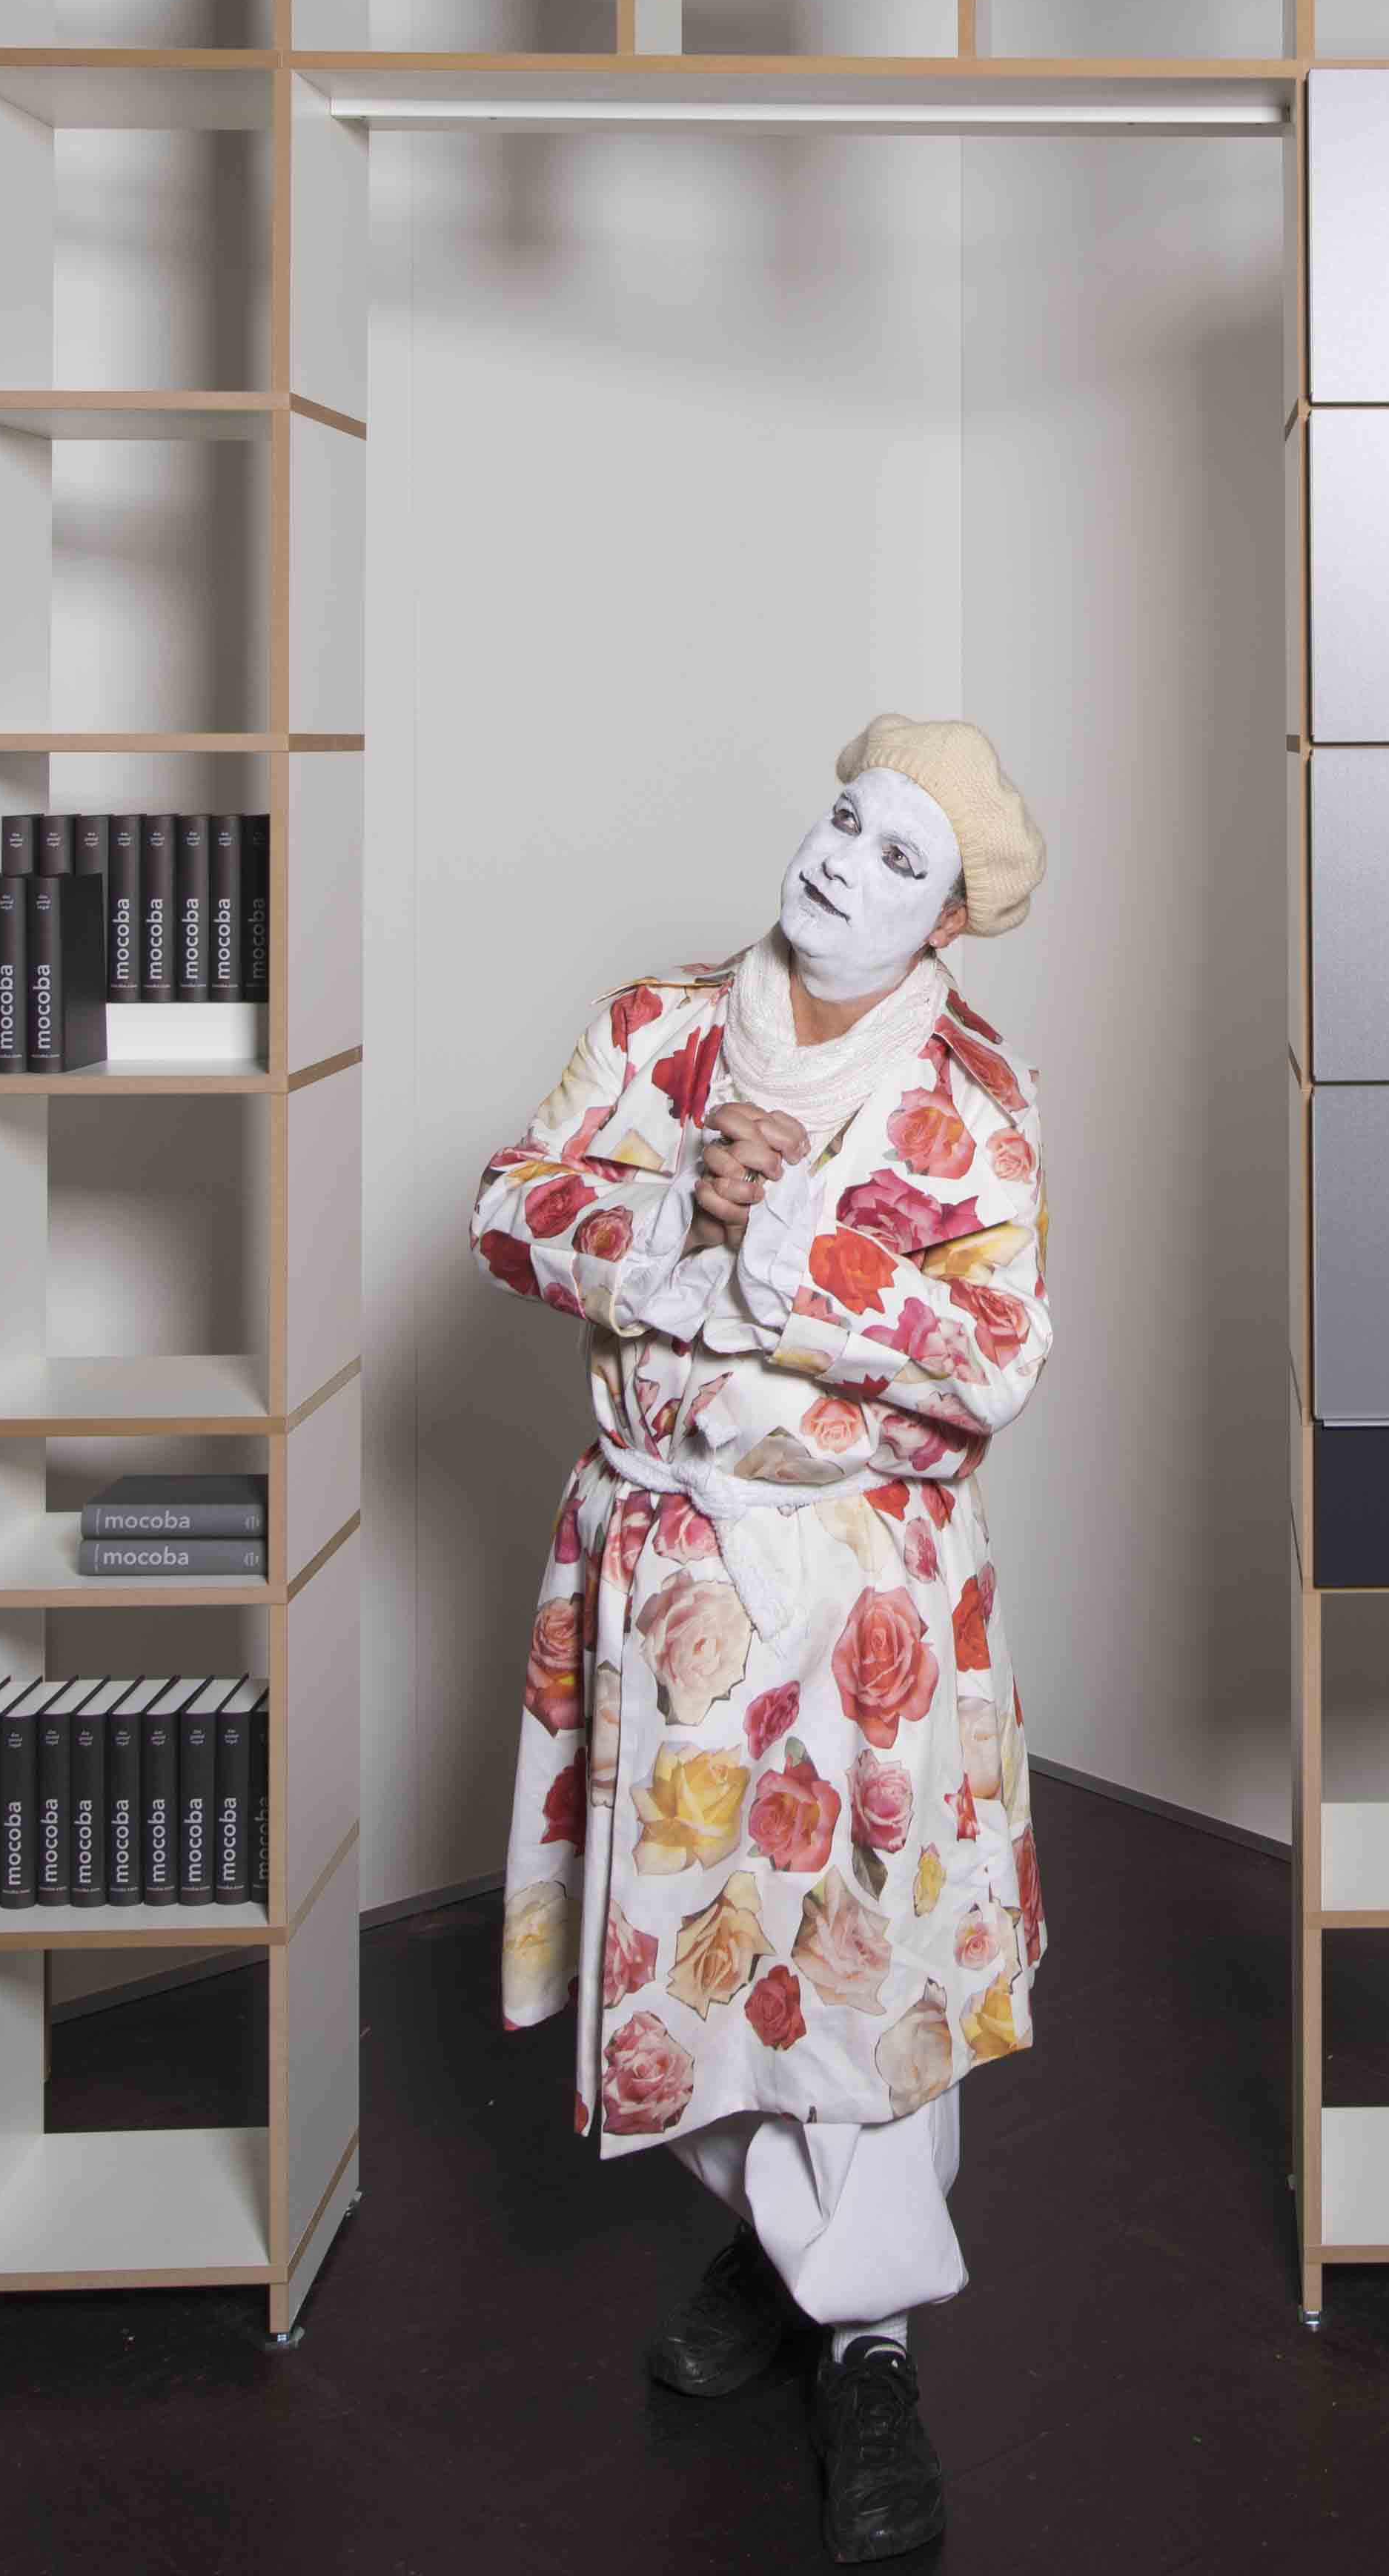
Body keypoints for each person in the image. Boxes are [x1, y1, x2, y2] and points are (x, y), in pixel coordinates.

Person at [475, 716, 1054, 2565]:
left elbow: (998, 1354)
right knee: (685, 1960)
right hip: (660, 1569)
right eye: (840, 820)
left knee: (861, 1972)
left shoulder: (972, 1096)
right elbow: (507, 1204)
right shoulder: (654, 1023)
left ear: (947, 917)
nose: (839, 862)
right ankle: (792, 2251)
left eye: (896, 856)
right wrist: (675, 1206)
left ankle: (867, 2343)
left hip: (859, 1580)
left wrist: (792, 1238)